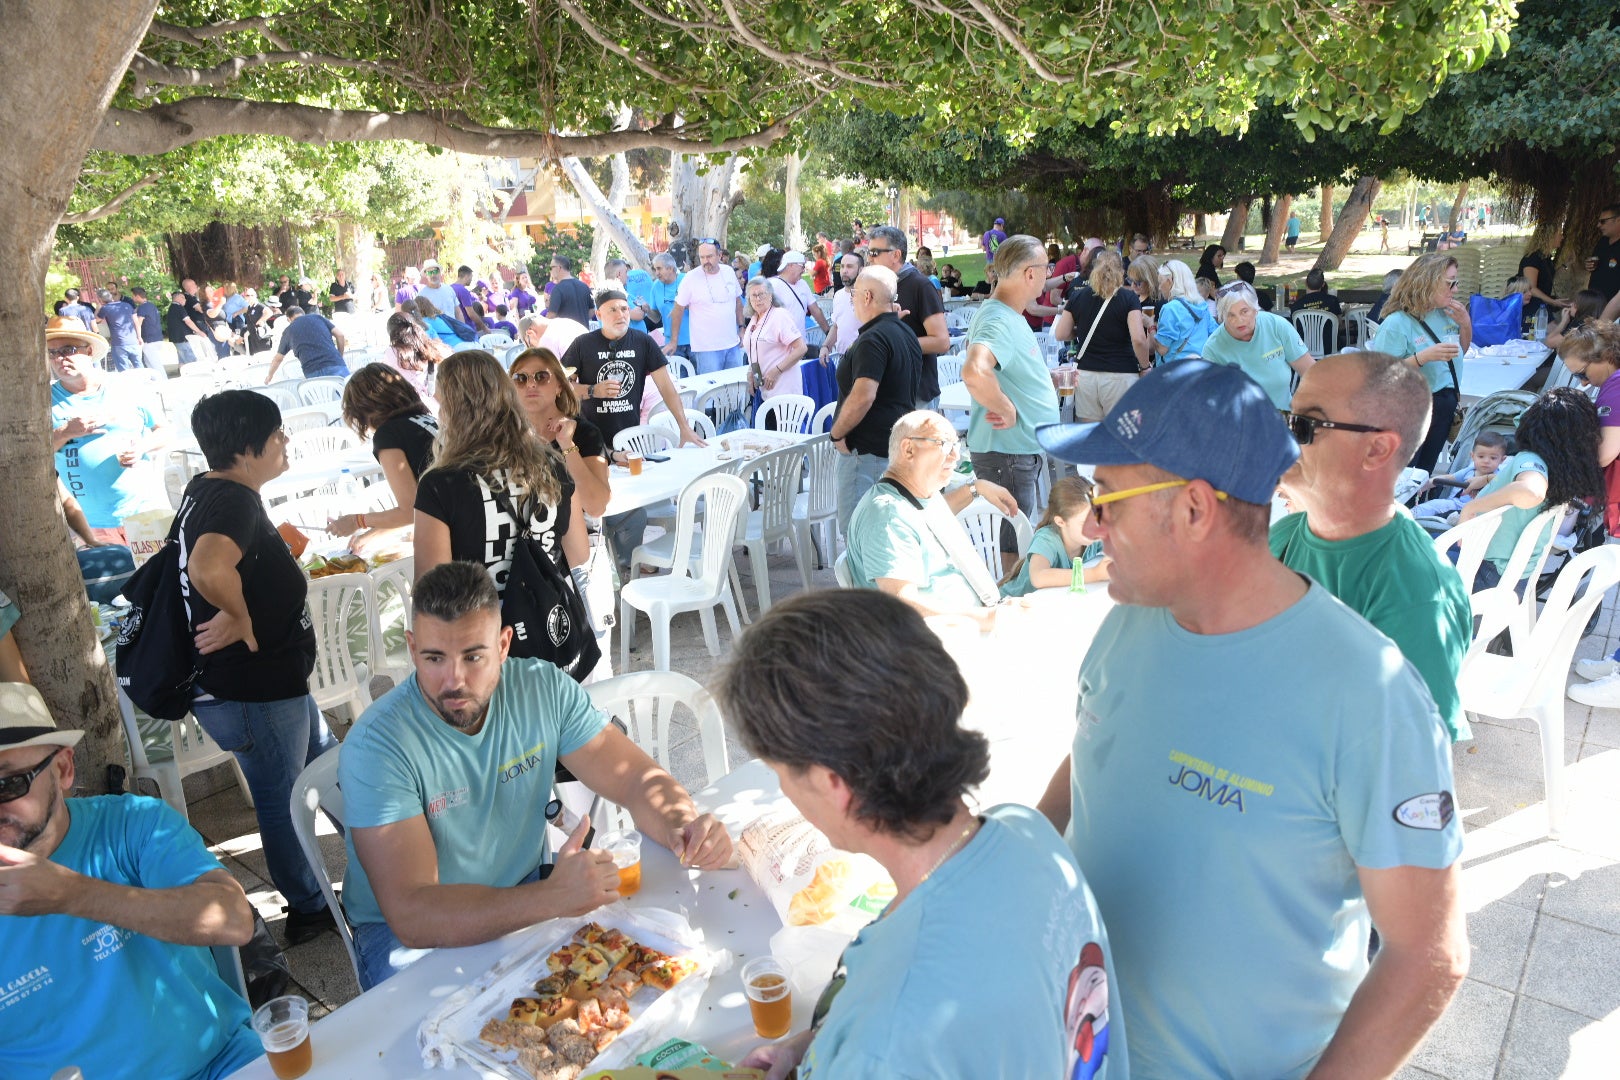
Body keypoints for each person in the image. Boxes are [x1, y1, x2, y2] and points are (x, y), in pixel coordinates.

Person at [1035, 359, 1468, 1080]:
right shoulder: (1131, 624)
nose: (1089, 523)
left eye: (1107, 497)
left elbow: (1430, 954)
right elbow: (1091, 757)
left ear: (1195, 509)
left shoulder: (1368, 695)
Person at [722, 591, 1125, 1080]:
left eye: (779, 772)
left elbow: (897, 1035)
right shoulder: (1027, 834)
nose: (784, 792)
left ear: (834, 784)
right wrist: (822, 1047)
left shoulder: (888, 1041)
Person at [338, 561, 732, 988]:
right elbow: (414, 914)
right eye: (434, 658)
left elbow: (638, 780)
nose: (454, 680)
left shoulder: (542, 689)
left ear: (504, 645)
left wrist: (685, 825)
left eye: (474, 656)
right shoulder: (377, 746)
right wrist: (552, 897)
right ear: (412, 650)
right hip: (406, 938)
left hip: (523, 891)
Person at [0, 683, 263, 1079]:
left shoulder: (132, 825)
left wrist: (72, 894)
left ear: (63, 769)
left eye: (8, 783)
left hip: (216, 1063)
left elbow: (233, 918)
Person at [179, 390, 338, 944]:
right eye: (276, 435)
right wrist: (240, 615)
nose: (285, 442)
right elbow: (206, 565)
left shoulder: (211, 491)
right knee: (282, 794)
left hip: (267, 688)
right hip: (254, 689)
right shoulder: (232, 501)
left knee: (334, 764)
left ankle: (381, 851)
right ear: (248, 447)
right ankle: (308, 905)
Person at [1274, 351, 1475, 743]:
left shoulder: (1415, 593)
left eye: (1305, 424)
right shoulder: (1288, 533)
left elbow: (1412, 765)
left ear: (1377, 450)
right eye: (1287, 417)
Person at [414, 350, 586, 592]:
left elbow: (431, 591)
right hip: (550, 620)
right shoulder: (551, 461)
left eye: (441, 402)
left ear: (453, 409)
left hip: (482, 626)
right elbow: (578, 553)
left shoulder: (440, 484)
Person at [845, 410, 1019, 626]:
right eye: (944, 444)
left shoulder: (915, 496)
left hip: (971, 622)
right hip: (934, 642)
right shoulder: (887, 517)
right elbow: (904, 606)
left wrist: (977, 488)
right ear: (908, 449)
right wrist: (985, 619)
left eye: (957, 445)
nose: (955, 455)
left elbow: (928, 516)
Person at [1458, 387, 1602, 593]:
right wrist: (1490, 479)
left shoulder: (1530, 458)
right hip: (1518, 573)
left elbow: (1531, 491)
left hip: (1488, 572)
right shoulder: (1561, 467)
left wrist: (1471, 507)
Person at [509, 347, 637, 569]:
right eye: (521, 378)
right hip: (524, 557)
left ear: (559, 385)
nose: (530, 384)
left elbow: (596, 506)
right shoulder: (506, 437)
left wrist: (567, 445)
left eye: (541, 377)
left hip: (578, 557)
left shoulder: (584, 433)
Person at [962, 234, 1062, 520]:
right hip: (1006, 456)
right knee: (1010, 545)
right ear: (1031, 273)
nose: (1049, 274)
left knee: (1013, 538)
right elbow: (974, 370)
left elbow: (999, 369)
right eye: (1047, 268)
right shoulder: (999, 319)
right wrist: (1005, 407)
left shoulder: (1004, 313)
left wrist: (1044, 380)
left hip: (1011, 454)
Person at [48, 316, 170, 543]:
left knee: (160, 577)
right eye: (52, 353)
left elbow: (163, 431)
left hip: (144, 513)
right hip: (88, 525)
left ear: (89, 350)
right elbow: (35, 456)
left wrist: (142, 447)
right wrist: (66, 432)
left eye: (68, 349)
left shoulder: (126, 387)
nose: (59, 359)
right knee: (116, 580)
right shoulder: (45, 401)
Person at [830, 266, 922, 533]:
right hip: (890, 448)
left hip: (866, 452)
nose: (853, 301)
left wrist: (837, 434)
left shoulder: (874, 339)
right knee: (883, 532)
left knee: (858, 535)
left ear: (867, 296)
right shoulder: (902, 332)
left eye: (854, 295)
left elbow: (863, 396)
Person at [562, 290, 704, 449]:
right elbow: (562, 389)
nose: (620, 315)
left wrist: (684, 427)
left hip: (632, 437)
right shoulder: (582, 344)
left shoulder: (643, 341)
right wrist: (593, 390)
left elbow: (667, 388)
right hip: (591, 437)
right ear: (599, 315)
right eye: (613, 310)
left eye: (624, 309)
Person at [1370, 252, 1472, 473]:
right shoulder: (1397, 323)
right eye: (1450, 283)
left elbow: (1460, 352)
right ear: (1428, 281)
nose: (1455, 289)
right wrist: (1422, 357)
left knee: (1424, 472)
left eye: (1457, 282)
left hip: (1444, 405)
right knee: (1405, 474)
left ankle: (1419, 507)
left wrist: (1465, 324)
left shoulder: (1446, 313)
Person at [328, 364, 440, 556]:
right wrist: (370, 536)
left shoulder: (388, 434)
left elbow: (410, 510)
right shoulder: (424, 419)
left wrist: (357, 521)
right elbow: (419, 507)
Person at [1055, 249, 1150, 422]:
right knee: (1121, 437)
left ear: (1094, 270)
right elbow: (1138, 339)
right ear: (1121, 271)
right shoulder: (1129, 298)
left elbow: (1061, 333)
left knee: (1091, 436)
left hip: (1086, 376)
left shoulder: (1077, 296)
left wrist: (1080, 331)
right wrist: (1145, 367)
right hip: (1120, 374)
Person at [866, 225, 948, 408]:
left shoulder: (920, 286)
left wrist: (896, 344)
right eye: (868, 252)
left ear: (896, 255)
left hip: (916, 395)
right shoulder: (877, 286)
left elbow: (942, 341)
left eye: (875, 252)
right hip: (885, 393)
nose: (869, 258)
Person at [1201, 281, 1314, 409]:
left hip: (1284, 419)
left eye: (1244, 311)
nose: (1239, 320)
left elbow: (1311, 373)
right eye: (1230, 315)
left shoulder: (1277, 326)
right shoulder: (1213, 349)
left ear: (1255, 309)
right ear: (1222, 317)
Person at [998, 476, 1108, 597]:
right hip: (1011, 605)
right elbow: (1038, 577)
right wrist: (1095, 574)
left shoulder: (1091, 537)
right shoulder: (1047, 539)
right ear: (1061, 522)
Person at [666, 240, 745, 374]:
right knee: (711, 393)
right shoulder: (690, 278)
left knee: (736, 391)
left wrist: (742, 328)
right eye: (702, 257)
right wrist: (674, 341)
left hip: (733, 345)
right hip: (706, 349)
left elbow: (738, 302)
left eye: (709, 256)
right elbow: (678, 309)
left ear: (719, 255)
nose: (705, 261)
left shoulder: (729, 271)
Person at [1410, 431, 1508, 520]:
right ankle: (1410, 515)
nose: (1486, 461)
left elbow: (1506, 484)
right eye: (1481, 456)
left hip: (1482, 510)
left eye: (1493, 458)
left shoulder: (1500, 476)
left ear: (1502, 460)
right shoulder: (1469, 470)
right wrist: (1424, 485)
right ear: (1473, 456)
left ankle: (1455, 519)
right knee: (1433, 505)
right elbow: (1447, 478)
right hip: (1458, 504)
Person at [743, 276, 808, 405]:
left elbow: (801, 348)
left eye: (761, 294)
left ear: (771, 296)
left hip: (784, 389)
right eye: (753, 296)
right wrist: (751, 371)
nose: (758, 299)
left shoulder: (779, 315)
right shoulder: (755, 318)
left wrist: (776, 371)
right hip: (764, 391)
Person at [265, 304, 348, 381]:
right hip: (335, 363)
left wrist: (269, 376)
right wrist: (340, 356)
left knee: (322, 395)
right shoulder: (318, 318)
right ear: (303, 313)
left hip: (312, 372)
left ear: (289, 319)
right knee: (349, 394)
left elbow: (278, 359)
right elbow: (340, 335)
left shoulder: (288, 331)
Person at [1152, 260, 1214, 362]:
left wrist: (1151, 326)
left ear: (1169, 281)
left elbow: (1162, 349)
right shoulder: (1202, 304)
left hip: (1176, 370)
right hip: (1200, 366)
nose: (1159, 288)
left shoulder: (1170, 308)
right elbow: (1214, 334)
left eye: (1160, 282)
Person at [771, 249, 831, 349]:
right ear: (790, 265)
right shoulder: (772, 285)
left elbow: (815, 310)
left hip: (801, 345)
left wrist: (828, 333)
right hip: (780, 348)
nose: (804, 270)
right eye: (802, 266)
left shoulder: (802, 284)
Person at [1517, 226, 1568, 329]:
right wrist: (1553, 302)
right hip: (1532, 303)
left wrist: (1566, 264)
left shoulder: (1545, 257)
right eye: (1560, 234)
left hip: (1541, 303)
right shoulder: (1532, 258)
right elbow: (1531, 288)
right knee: (1554, 332)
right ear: (1550, 237)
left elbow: (1547, 276)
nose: (1562, 238)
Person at [821, 252, 864, 364]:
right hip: (842, 357)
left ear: (861, 270)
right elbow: (836, 326)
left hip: (863, 356)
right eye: (842, 266)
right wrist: (826, 346)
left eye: (849, 267)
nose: (844, 270)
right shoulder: (838, 295)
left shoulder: (867, 295)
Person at [1288, 268, 1345, 351]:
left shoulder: (1296, 305)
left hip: (1304, 349)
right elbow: (1340, 326)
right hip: (1330, 348)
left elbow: (1294, 331)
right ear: (1323, 284)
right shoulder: (1332, 300)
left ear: (1305, 283)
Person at [648, 253, 690, 359]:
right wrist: (647, 310)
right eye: (655, 269)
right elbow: (656, 318)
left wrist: (682, 307)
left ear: (671, 268)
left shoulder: (687, 280)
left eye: (659, 269)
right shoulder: (655, 286)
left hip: (694, 340)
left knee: (701, 375)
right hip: (671, 344)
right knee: (678, 376)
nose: (656, 273)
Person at [94, 285, 141, 371]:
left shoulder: (105, 308)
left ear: (100, 300)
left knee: (124, 371)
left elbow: (96, 320)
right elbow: (136, 322)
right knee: (140, 368)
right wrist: (139, 337)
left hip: (119, 343)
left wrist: (98, 307)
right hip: (133, 341)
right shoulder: (127, 305)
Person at [1590, 203, 1620, 322]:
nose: (1598, 225)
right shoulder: (1602, 241)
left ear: (1618, 220)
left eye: (1603, 221)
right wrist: (1590, 265)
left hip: (1613, 309)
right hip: (1594, 302)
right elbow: (1596, 261)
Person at [165, 287, 209, 365]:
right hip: (182, 338)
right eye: (184, 298)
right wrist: (199, 331)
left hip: (177, 338)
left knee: (182, 360)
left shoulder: (172, 308)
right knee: (191, 361)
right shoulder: (178, 307)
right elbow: (188, 321)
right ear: (179, 297)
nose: (185, 300)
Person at [545, 255, 594, 323]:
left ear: (558, 268)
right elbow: (592, 310)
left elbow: (551, 316)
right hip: (584, 330)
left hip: (566, 332)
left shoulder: (558, 289)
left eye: (551, 268)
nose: (550, 270)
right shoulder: (584, 286)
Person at [129, 285, 168, 369]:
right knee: (149, 363)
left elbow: (138, 323)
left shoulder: (142, 307)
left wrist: (136, 336)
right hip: (157, 337)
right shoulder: (151, 305)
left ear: (137, 296)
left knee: (155, 364)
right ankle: (156, 380)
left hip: (149, 340)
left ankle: (163, 380)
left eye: (133, 295)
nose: (132, 298)